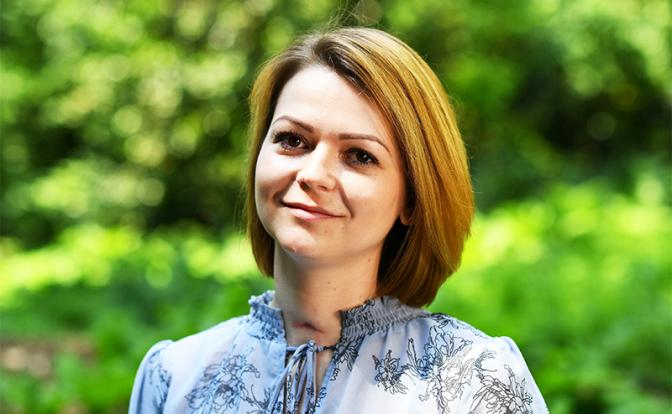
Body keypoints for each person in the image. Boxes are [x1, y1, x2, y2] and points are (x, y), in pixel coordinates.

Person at [129, 27, 548, 413]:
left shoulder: (476, 383)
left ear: (412, 199)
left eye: (359, 156)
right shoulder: (173, 377)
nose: (313, 174)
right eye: (293, 140)